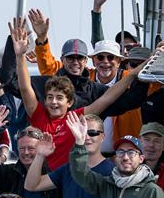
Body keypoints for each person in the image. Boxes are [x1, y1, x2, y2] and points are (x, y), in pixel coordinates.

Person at [12, 17, 141, 170]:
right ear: (44, 101)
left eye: (60, 98)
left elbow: (108, 98)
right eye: (50, 98)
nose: (54, 102)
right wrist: (20, 56)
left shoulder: (75, 119)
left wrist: (135, 73)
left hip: (74, 176)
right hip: (45, 176)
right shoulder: (39, 115)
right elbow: (25, 87)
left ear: (70, 102)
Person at [139, 122, 164, 190]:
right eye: (147, 139)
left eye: (157, 141)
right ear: (139, 141)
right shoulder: (127, 169)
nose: (151, 145)